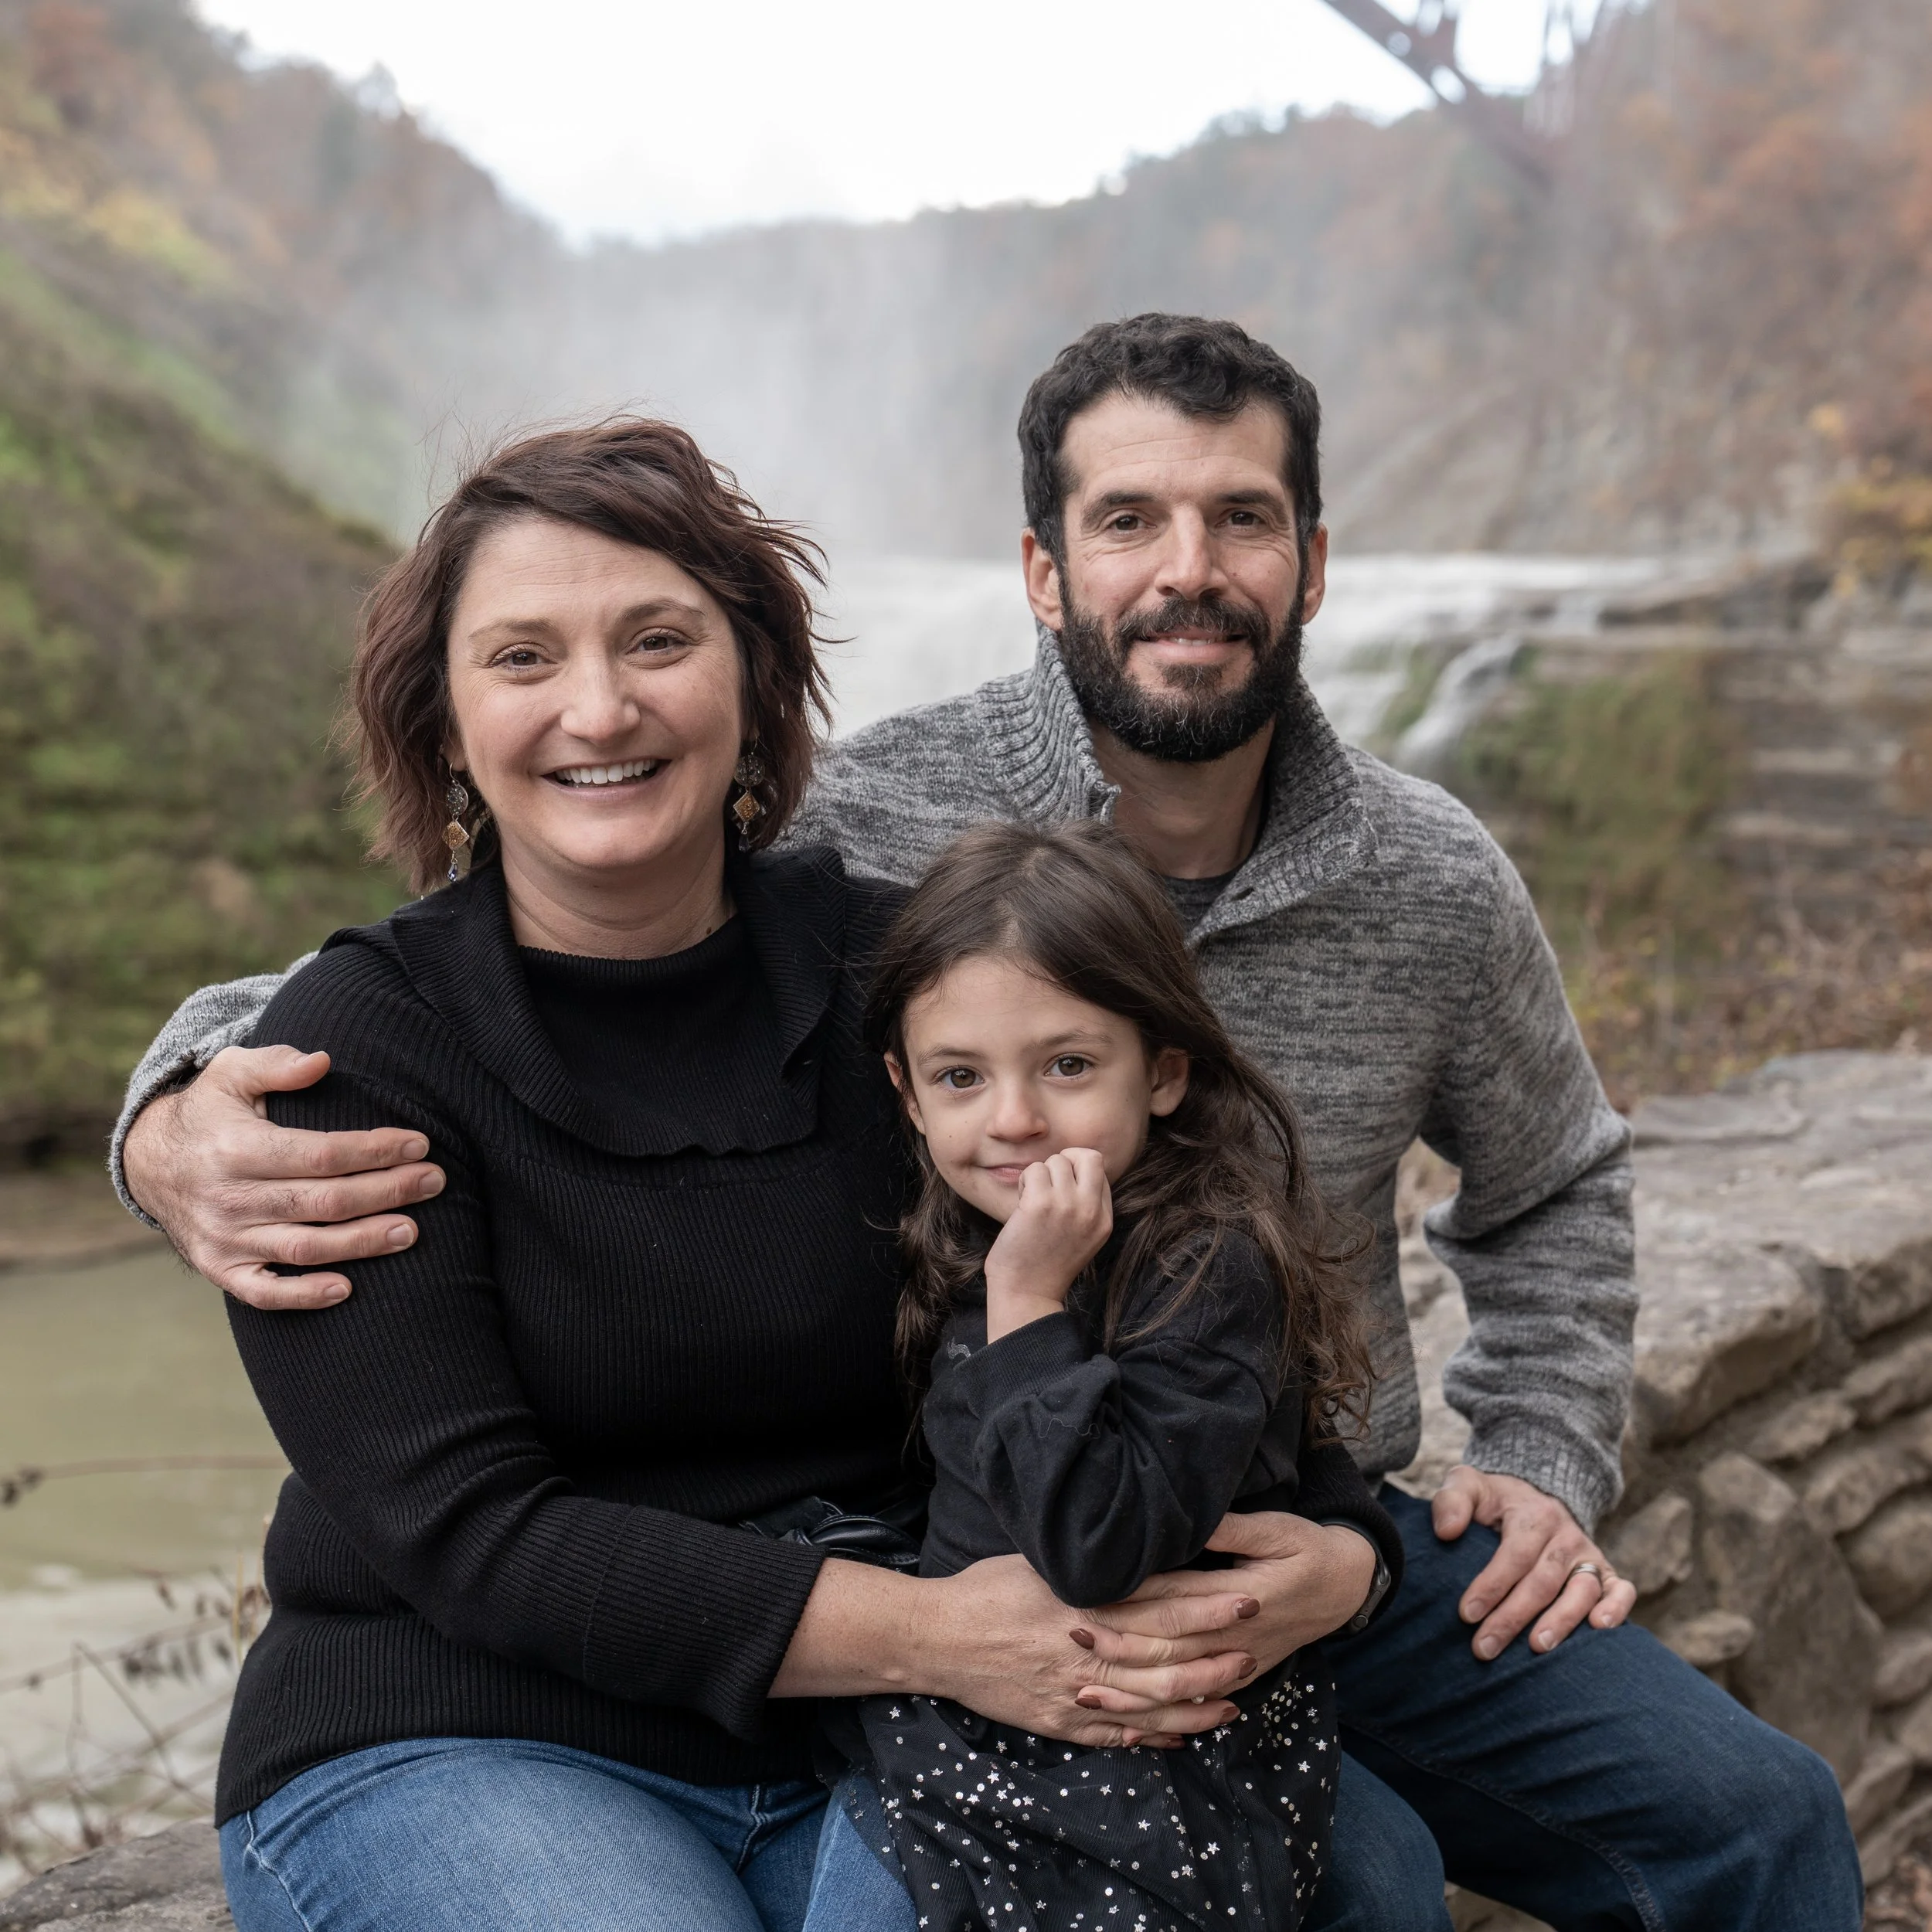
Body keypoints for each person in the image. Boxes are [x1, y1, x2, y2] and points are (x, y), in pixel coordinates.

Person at [117, 316, 1862, 1930]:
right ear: (1042, 566)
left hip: (1169, 1548)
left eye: (658, 641)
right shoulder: (834, 869)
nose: (600, 705)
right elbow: (439, 980)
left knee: (1552, 1838)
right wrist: (166, 1112)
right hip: (740, 1634)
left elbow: (1382, 1212)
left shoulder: (964, 936)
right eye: (1125, 521)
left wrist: (1435, 1494)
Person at [199, 417, 1387, 1932]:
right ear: (438, 720)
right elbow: (467, 1527)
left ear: (754, 677)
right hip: (472, 1724)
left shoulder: (917, 986)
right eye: (519, 657)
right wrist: (938, 1634)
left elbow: (1187, 1248)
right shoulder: (359, 1055)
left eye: (656, 638)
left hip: (883, 1717)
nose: (598, 704)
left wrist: (1351, 1546)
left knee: (1350, 1871)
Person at [836, 818, 1393, 1932]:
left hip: (1129, 1756)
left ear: (1166, 1072)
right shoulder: (968, 1233)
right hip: (973, 1717)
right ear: (906, 1093)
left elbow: (1098, 1544)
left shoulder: (1204, 1265)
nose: (1015, 1120)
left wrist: (1030, 1306)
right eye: (961, 1076)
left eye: (1071, 1065)